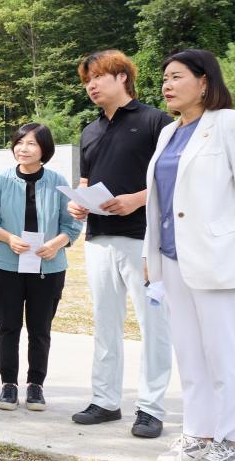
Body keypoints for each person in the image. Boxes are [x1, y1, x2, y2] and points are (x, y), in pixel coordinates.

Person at [146, 49, 235, 461]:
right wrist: (153, 260)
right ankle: (198, 434)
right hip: (173, 258)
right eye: (164, 77)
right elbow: (163, 203)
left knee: (225, 354)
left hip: (219, 258)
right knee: (190, 353)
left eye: (176, 76)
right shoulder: (168, 134)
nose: (166, 84)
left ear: (204, 82)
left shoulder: (233, 124)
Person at [70, 50, 173, 438]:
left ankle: (150, 408)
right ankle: (105, 401)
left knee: (153, 324)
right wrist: (77, 205)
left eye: (97, 77)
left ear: (122, 77)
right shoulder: (89, 131)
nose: (91, 86)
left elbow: (170, 180)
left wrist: (136, 198)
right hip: (98, 238)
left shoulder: (155, 122)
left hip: (143, 238)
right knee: (105, 323)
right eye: (86, 81)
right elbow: (85, 183)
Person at [0, 123, 83, 411]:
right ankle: (8, 384)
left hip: (48, 266)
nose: (23, 148)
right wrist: (8, 238)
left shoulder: (58, 181)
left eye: (31, 144)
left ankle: (36, 385)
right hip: (6, 265)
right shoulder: (0, 180)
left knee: (40, 328)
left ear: (44, 150)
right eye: (19, 142)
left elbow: (72, 223)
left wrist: (57, 244)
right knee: (8, 326)